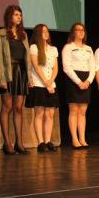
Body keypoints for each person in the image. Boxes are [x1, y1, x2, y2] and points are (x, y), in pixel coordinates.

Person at [0, 5, 32, 154]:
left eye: (20, 15)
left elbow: (27, 58)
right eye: (16, 14)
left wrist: (29, 77)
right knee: (7, 107)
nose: (19, 17)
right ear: (9, 16)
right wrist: (1, 77)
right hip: (8, 72)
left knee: (18, 108)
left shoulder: (24, 35)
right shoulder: (1, 33)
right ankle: (7, 143)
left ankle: (19, 143)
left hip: (21, 72)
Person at [26, 24, 60, 152]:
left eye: (47, 31)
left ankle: (48, 141)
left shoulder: (53, 49)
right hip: (38, 84)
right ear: (37, 34)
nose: (46, 33)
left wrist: (50, 82)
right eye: (43, 31)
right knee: (39, 113)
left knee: (50, 114)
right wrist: (46, 83)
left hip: (51, 84)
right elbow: (36, 67)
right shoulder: (34, 47)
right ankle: (40, 142)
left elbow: (55, 68)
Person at [62, 23, 95, 149]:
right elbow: (66, 67)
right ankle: (74, 139)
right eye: (78, 30)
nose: (81, 32)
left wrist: (88, 81)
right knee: (74, 110)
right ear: (73, 32)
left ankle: (82, 138)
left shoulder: (88, 48)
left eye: (83, 30)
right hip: (73, 79)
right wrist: (78, 82)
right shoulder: (68, 47)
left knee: (82, 111)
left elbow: (93, 67)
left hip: (86, 80)